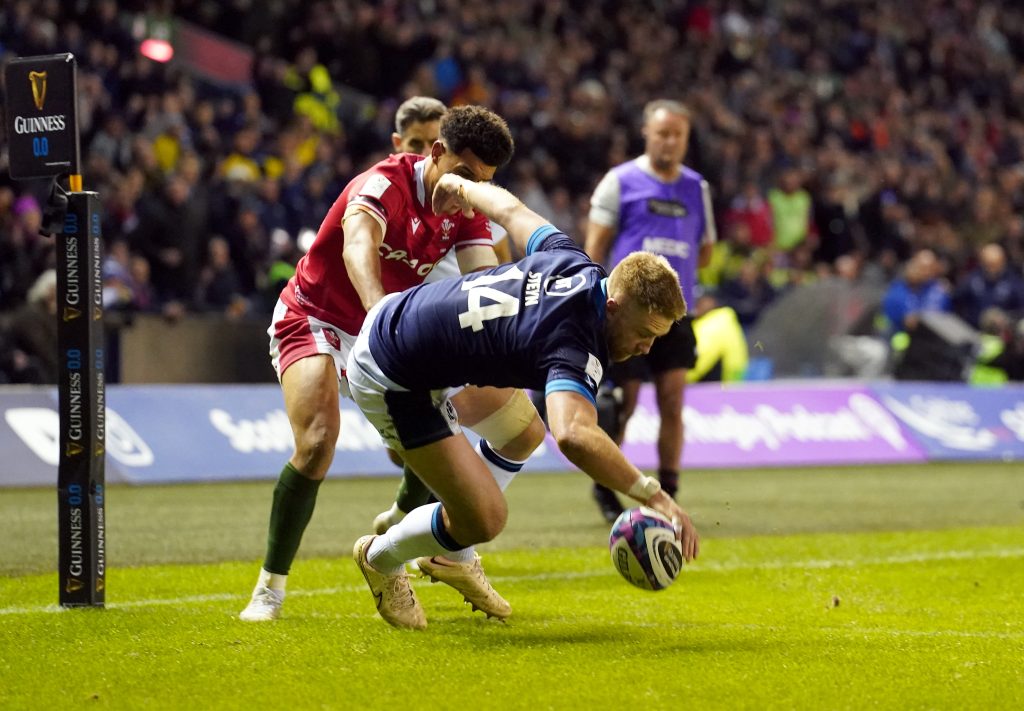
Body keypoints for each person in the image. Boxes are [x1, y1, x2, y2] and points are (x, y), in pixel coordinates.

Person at [347, 173, 700, 629]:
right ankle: (382, 556)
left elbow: (511, 212)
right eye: (644, 333)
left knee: (524, 430)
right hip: (392, 374)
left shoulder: (572, 261)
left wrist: (461, 186)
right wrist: (655, 497)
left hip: (409, 326)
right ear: (612, 305)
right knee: (485, 519)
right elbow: (573, 434)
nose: (646, 348)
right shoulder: (575, 342)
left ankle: (449, 553)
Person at [240, 105, 545, 622]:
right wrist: (380, 311)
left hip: (386, 332)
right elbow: (360, 248)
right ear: (436, 152)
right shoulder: (385, 184)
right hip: (318, 317)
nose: (468, 188)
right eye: (465, 175)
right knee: (316, 444)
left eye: (483, 181)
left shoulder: (466, 208)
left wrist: (508, 342)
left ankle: (430, 536)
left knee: (520, 429)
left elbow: (482, 280)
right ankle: (268, 591)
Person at [372, 97, 517, 535]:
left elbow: (497, 270)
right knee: (409, 452)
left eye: (431, 140)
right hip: (403, 336)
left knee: (518, 429)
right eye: (415, 143)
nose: (421, 150)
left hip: (460, 335)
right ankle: (420, 523)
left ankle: (442, 534)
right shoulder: (390, 194)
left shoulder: (471, 209)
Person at [583, 99, 715, 522]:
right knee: (625, 402)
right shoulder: (620, 182)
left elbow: (707, 250)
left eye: (678, 135)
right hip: (627, 315)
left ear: (686, 140)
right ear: (647, 133)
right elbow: (594, 250)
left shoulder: (698, 188)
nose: (670, 141)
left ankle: (670, 489)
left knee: (673, 402)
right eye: (662, 133)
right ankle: (606, 486)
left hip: (676, 316)